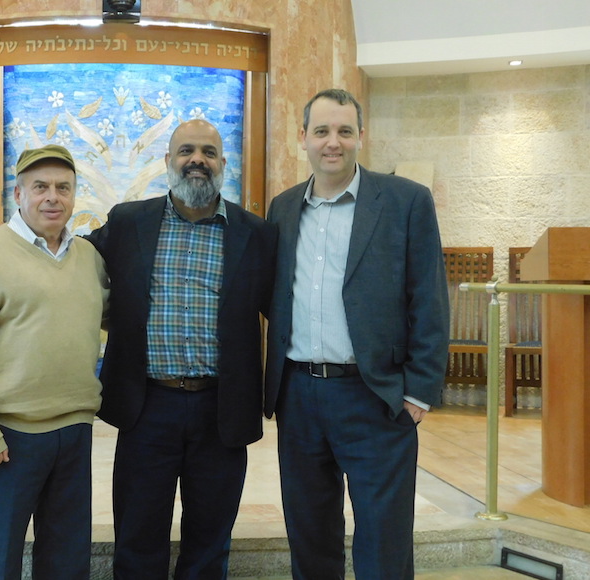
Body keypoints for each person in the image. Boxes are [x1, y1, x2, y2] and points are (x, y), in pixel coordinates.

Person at [265, 88, 449, 579]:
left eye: (345, 131)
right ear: (302, 137)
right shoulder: (282, 209)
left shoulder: (406, 201)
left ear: (361, 137)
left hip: (376, 395)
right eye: (322, 131)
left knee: (384, 537)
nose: (333, 142)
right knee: (309, 532)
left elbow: (429, 298)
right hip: (299, 396)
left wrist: (419, 393)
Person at [86, 119, 277, 579]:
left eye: (209, 152)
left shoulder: (257, 234)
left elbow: (287, 313)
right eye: (186, 151)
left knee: (210, 542)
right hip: (147, 405)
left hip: (221, 410)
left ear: (223, 165)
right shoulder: (128, 221)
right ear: (167, 161)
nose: (198, 160)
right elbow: (72, 272)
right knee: (137, 536)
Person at [0, 144, 109, 580]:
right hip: (9, 438)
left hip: (74, 432)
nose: (52, 197)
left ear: (75, 196)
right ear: (18, 194)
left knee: (67, 562)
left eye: (63, 188)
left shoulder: (88, 258)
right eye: (40, 187)